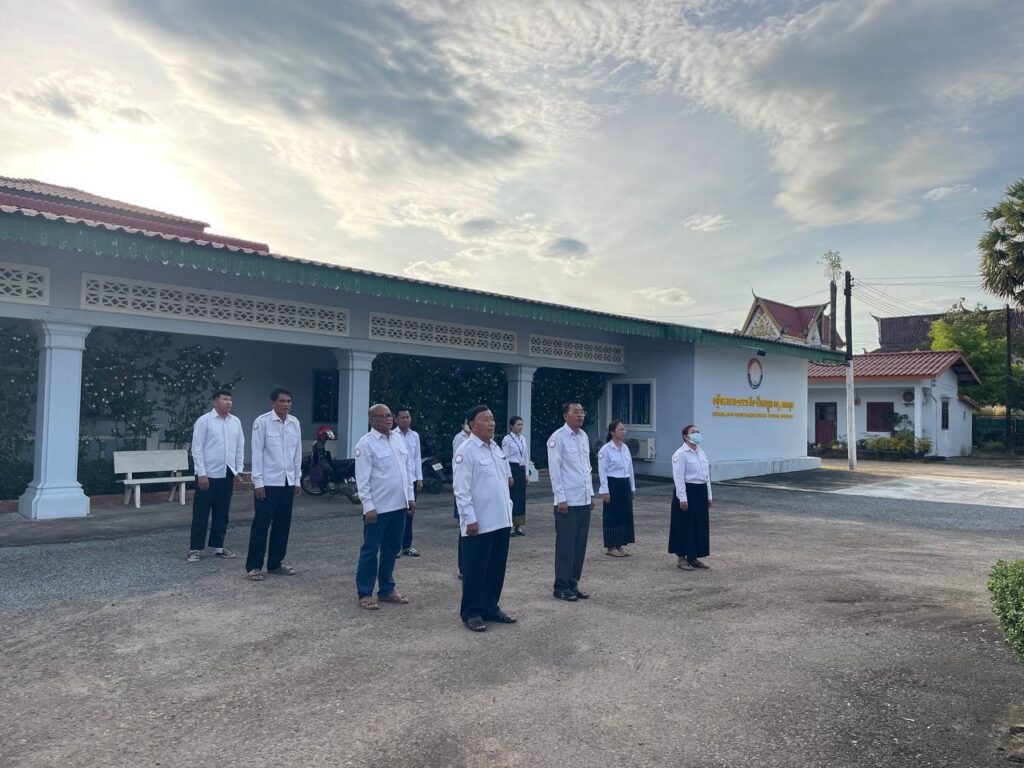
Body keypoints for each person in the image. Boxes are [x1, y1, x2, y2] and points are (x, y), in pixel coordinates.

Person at [454, 405, 517, 632]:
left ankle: (490, 607)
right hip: (479, 522)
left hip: (501, 519)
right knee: (475, 570)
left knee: (496, 568)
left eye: (492, 419)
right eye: (485, 420)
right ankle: (471, 612)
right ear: (472, 425)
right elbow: (461, 489)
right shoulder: (466, 450)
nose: (491, 423)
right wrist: (469, 518)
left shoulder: (495, 448)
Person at [354, 403, 416, 610]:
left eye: (390, 415)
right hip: (378, 509)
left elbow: (407, 469)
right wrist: (368, 506)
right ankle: (365, 593)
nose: (389, 419)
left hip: (398, 506)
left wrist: (410, 496)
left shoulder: (397, 439)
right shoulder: (366, 444)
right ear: (372, 420)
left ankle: (387, 589)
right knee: (370, 551)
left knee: (391, 549)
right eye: (383, 416)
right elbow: (362, 479)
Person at [245, 388, 302, 582]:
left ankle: (276, 563)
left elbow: (297, 453)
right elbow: (257, 453)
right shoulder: (262, 422)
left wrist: (297, 479)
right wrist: (258, 482)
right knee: (261, 525)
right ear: (273, 403)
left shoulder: (294, 423)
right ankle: (253, 566)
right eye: (282, 401)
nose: (286, 404)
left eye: (289, 401)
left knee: (283, 525)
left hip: (287, 481)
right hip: (268, 482)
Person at [187, 389, 245, 562]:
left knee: (222, 512)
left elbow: (239, 447)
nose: (229, 402)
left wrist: (239, 470)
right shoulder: (204, 421)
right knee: (201, 512)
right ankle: (195, 549)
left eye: (230, 399)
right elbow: (197, 448)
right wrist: (201, 473)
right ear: (215, 402)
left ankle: (218, 547)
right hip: (208, 473)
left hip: (227, 472)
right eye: (225, 399)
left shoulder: (235, 421)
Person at [547, 402, 594, 602]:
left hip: (583, 499)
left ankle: (573, 583)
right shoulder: (557, 438)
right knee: (566, 545)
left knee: (579, 545)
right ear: (565, 415)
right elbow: (555, 470)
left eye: (582, 412)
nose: (580, 415)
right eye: (576, 412)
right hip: (567, 501)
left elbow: (586, 467)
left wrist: (590, 494)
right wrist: (560, 498)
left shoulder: (583, 436)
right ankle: (561, 586)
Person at [669, 424, 713, 571]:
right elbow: (678, 477)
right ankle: (681, 558)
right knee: (684, 525)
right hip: (687, 491)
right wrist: (682, 498)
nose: (697, 434)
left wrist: (709, 495)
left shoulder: (701, 452)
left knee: (698, 525)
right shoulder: (680, 454)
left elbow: (706, 476)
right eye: (694, 432)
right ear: (685, 436)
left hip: (700, 491)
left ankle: (693, 557)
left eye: (698, 432)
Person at [598, 420, 636, 558]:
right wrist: (605, 491)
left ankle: (620, 544)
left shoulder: (625, 448)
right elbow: (602, 471)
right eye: (620, 429)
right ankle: (610, 546)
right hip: (612, 484)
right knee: (612, 515)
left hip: (624, 483)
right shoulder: (606, 449)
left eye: (624, 429)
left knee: (624, 514)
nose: (623, 432)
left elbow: (630, 469)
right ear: (612, 432)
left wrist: (632, 487)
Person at [393, 405, 424, 557]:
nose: (405, 420)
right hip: (398, 480)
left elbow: (417, 458)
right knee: (397, 514)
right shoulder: (392, 435)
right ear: (396, 419)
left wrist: (419, 478)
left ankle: (407, 546)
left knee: (410, 513)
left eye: (408, 417)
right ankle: (395, 546)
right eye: (402, 417)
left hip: (411, 480)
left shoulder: (414, 436)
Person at [502, 416, 529, 537]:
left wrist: (526, 473)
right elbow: (505, 458)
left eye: (521, 425)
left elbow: (526, 456)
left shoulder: (522, 439)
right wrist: (508, 475)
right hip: (512, 468)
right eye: (518, 425)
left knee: (520, 498)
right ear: (511, 426)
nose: (520, 427)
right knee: (512, 497)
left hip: (521, 469)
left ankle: (519, 525)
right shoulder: (507, 440)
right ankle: (510, 526)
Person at [452, 419, 471, 579]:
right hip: (465, 490)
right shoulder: (460, 440)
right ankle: (463, 568)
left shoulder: (490, 444)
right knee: (464, 530)